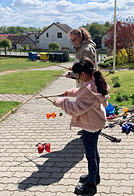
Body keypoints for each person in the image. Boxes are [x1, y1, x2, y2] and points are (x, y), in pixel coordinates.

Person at [53, 57, 109, 195]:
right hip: (96, 123)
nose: (78, 79)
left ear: (83, 74)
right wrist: (69, 92)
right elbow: (81, 92)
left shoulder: (88, 89)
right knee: (94, 152)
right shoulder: (94, 82)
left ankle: (91, 186)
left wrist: (62, 102)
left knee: (90, 156)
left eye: (78, 76)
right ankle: (94, 176)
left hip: (91, 125)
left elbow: (76, 108)